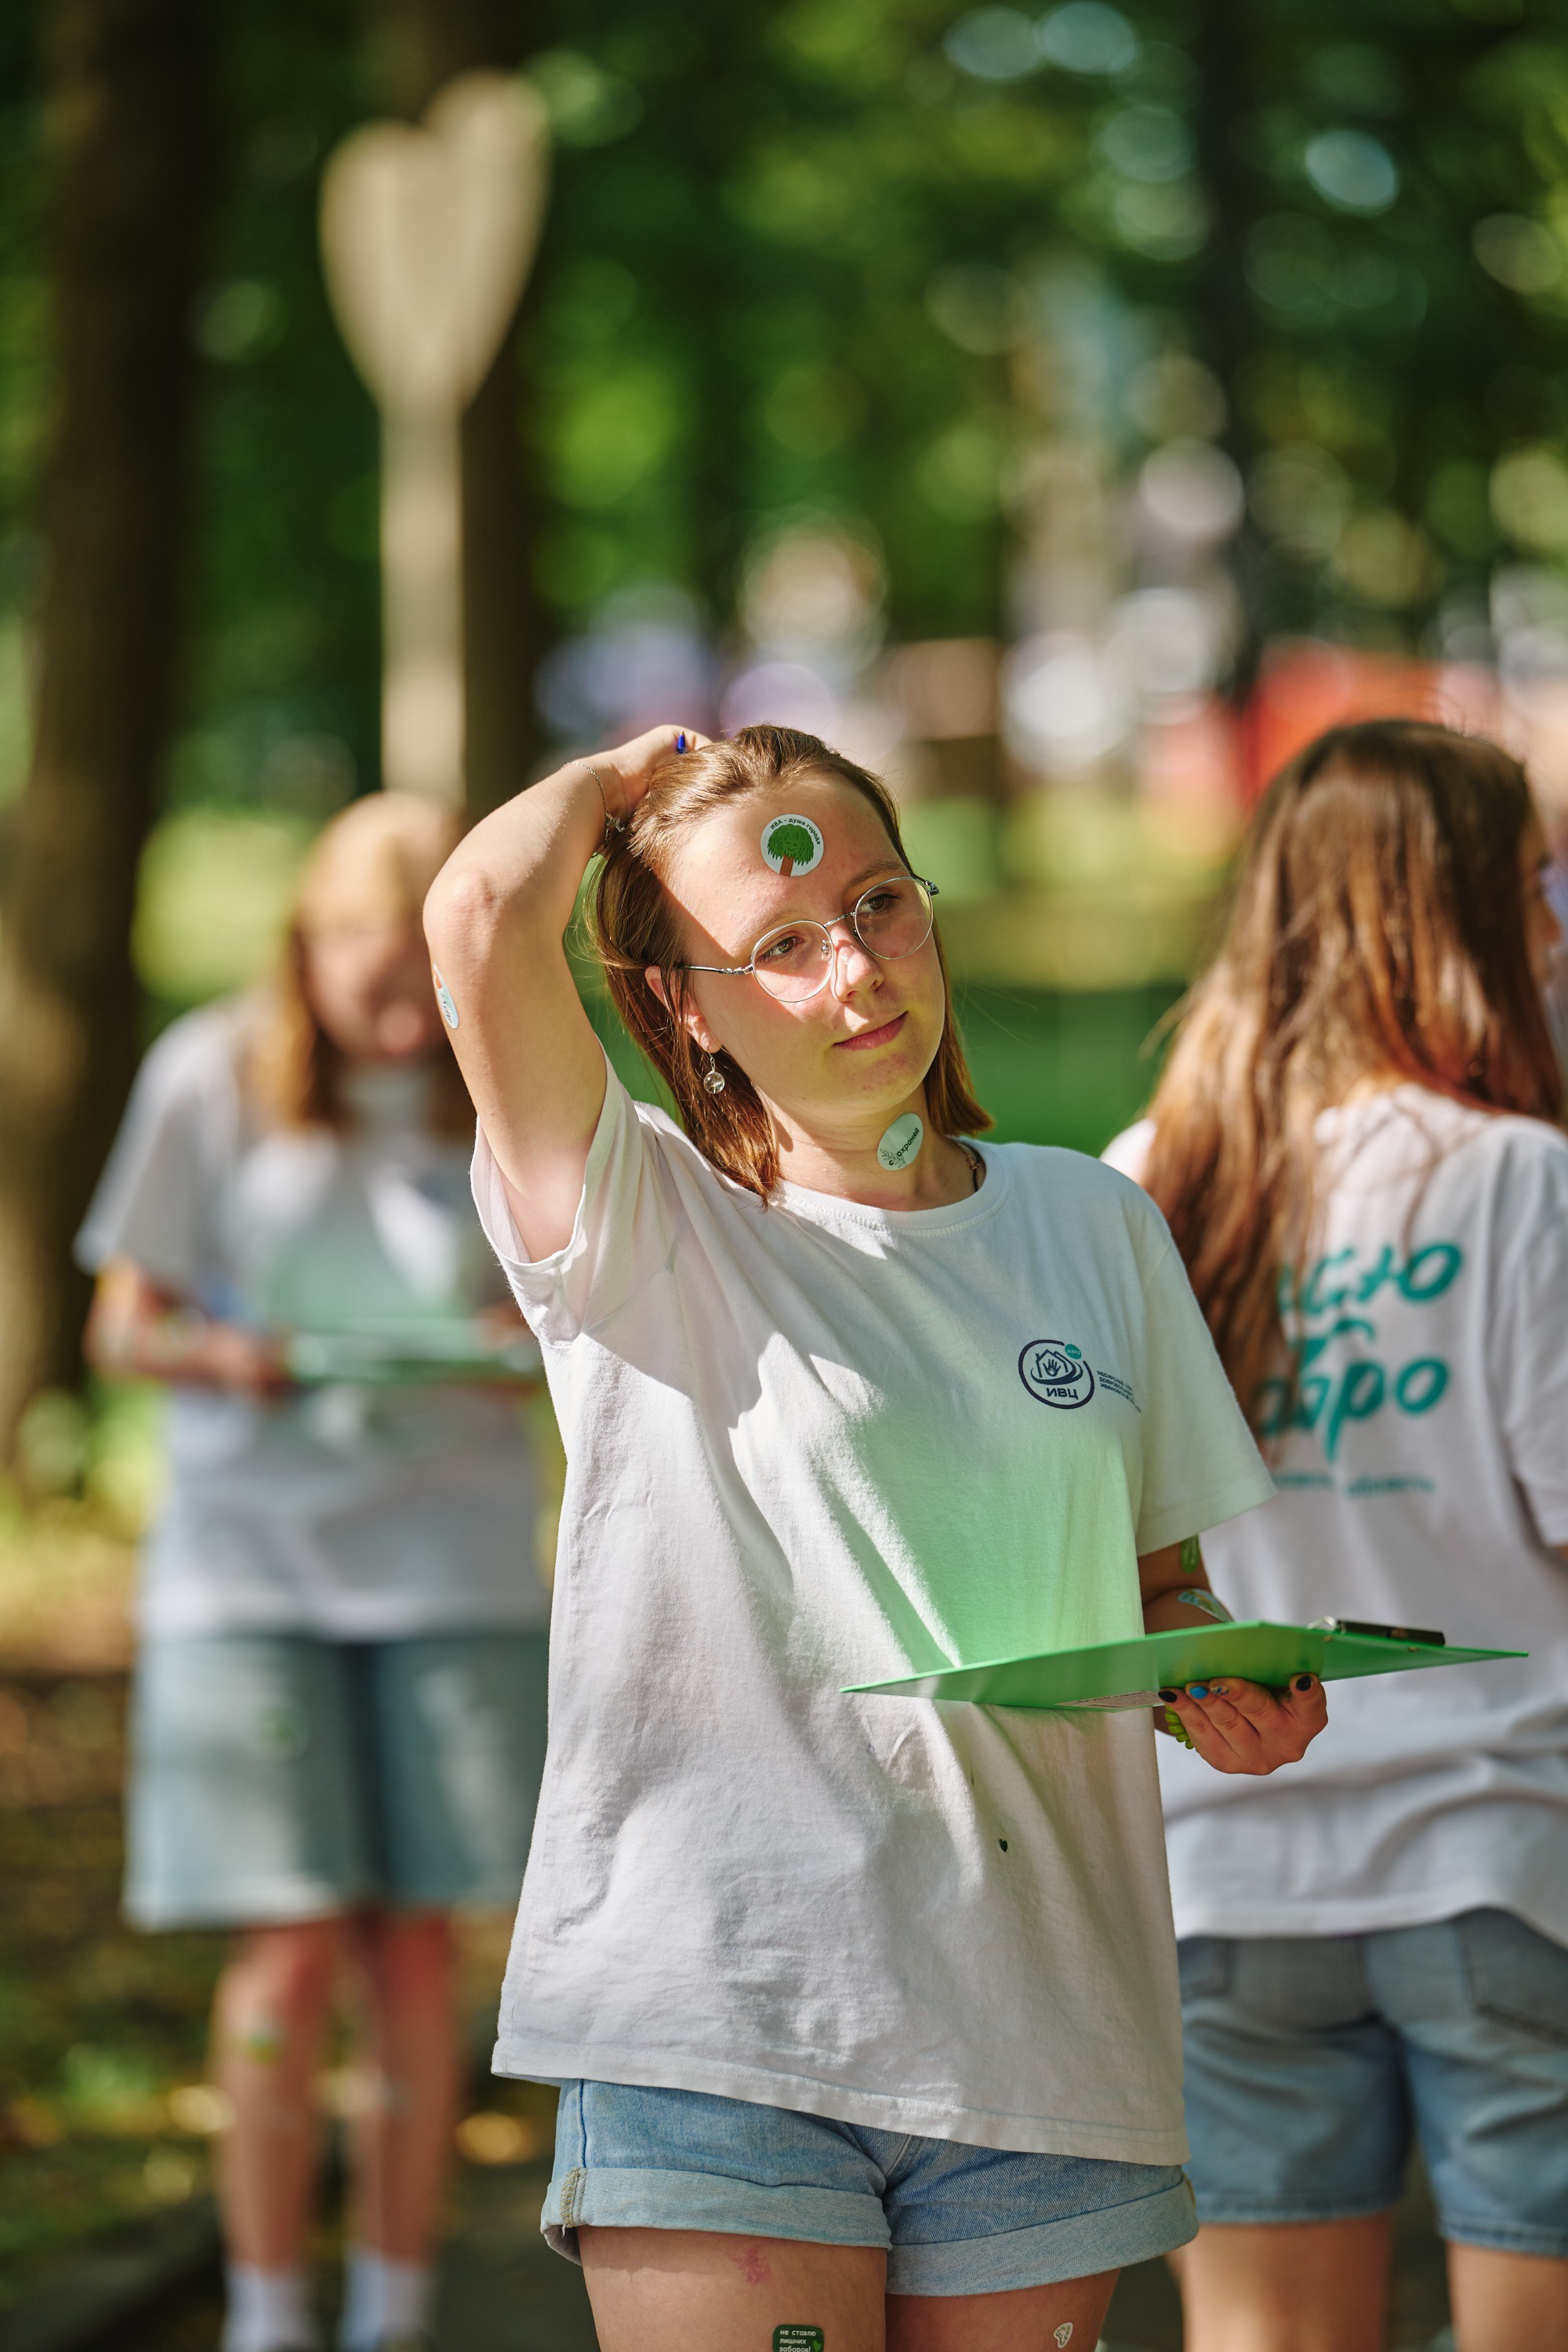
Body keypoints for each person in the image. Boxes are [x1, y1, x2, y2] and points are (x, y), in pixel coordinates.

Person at [422, 719, 1327, 2352]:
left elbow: (1160, 1587)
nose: (853, 963)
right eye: (774, 943)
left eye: (878, 902)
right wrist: (629, 779)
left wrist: (1227, 1689)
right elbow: (484, 917)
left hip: (1045, 2025)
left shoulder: (1092, 1221)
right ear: (678, 1010)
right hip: (724, 2013)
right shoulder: (637, 1222)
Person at [1104, 720, 1568, 2352]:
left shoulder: (1146, 1179)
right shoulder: (1520, 1181)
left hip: (1224, 1873)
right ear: (1442, 913)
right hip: (1505, 1854)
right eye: (1532, 887)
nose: (1555, 928)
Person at [80, 793, 552, 2352]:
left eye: (425, 965)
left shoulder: (505, 1088)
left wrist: (518, 1349)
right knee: (286, 1946)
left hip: (452, 1574)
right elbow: (124, 1323)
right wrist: (235, 1357)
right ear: (309, 942)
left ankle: (393, 2306)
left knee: (416, 1943)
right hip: (252, 1578)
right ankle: (270, 2310)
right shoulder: (211, 1074)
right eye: (366, 955)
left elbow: (584, 1312)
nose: (399, 1003)